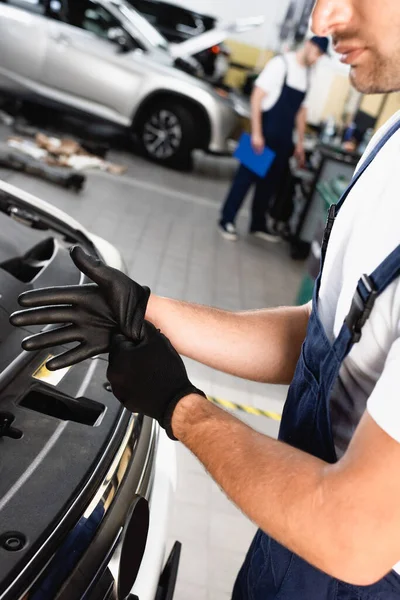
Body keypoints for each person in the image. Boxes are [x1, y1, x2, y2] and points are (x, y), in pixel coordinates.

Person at [9, 0, 400, 598]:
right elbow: (325, 341)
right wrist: (145, 309)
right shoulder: (391, 141)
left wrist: (179, 406)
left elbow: (353, 534)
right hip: (291, 533)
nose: (321, 22)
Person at [218, 36, 328, 242]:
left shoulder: (309, 75)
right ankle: (226, 220)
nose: (316, 59)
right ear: (308, 45)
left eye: (320, 56)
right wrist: (257, 133)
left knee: (269, 184)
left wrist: (300, 143)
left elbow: (301, 111)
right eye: (317, 53)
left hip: (284, 137)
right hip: (264, 131)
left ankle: (257, 224)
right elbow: (257, 97)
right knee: (244, 180)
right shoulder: (280, 64)